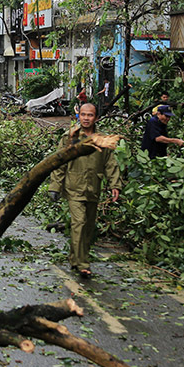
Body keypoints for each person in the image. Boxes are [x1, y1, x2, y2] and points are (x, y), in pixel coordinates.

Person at [48, 103, 121, 278]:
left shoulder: (102, 139)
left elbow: (110, 163)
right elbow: (59, 163)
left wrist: (115, 185)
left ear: (96, 118)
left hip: (93, 188)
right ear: (78, 116)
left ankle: (75, 258)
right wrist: (55, 186)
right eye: (83, 114)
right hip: (74, 187)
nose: (86, 118)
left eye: (90, 115)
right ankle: (83, 264)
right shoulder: (70, 137)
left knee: (88, 227)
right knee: (78, 223)